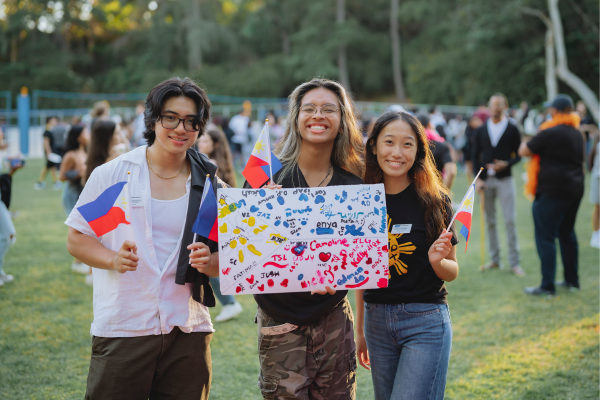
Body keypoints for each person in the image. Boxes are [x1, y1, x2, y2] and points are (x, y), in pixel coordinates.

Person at [66, 78, 221, 399]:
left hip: (188, 327)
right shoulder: (114, 175)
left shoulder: (209, 183)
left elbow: (230, 260)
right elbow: (78, 238)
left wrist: (210, 263)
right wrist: (112, 259)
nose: (181, 128)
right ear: (152, 120)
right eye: (171, 118)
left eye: (192, 121)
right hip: (126, 325)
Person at [248, 78, 364, 399]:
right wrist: (261, 215)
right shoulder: (265, 178)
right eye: (309, 108)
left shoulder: (354, 187)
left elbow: (360, 257)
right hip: (279, 320)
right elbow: (247, 256)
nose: (318, 115)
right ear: (296, 119)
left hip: (333, 319)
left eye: (329, 109)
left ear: (342, 123)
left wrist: (340, 275)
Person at [355, 110, 458, 400]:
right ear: (374, 147)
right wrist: (360, 330)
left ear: (419, 149)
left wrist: (439, 262)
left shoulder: (435, 200)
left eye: (408, 144)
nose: (397, 153)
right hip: (376, 322)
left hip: (425, 320)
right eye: (389, 142)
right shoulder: (360, 200)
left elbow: (453, 271)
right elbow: (363, 270)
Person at [519, 94, 584, 296]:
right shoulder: (577, 132)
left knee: (545, 237)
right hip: (574, 190)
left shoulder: (550, 131)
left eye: (551, 109)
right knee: (567, 234)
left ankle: (547, 285)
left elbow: (524, 150)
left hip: (551, 192)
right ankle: (572, 281)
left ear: (556, 111)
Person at [472, 93, 524, 276]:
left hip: (505, 180)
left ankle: (515, 263)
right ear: (489, 107)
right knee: (490, 222)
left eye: (499, 105)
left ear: (505, 106)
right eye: (493, 105)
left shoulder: (512, 128)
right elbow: (474, 154)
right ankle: (495, 260)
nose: (495, 108)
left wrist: (506, 164)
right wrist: (476, 179)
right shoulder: (481, 129)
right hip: (485, 181)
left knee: (510, 220)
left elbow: (519, 154)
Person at [197, 128, 243, 322]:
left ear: (215, 145)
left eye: (205, 141)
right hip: (213, 217)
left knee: (204, 261)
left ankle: (230, 303)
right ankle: (229, 303)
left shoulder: (210, 165)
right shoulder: (221, 165)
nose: (200, 143)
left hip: (209, 218)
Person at [59, 125, 91, 278]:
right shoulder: (70, 155)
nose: (88, 134)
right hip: (71, 194)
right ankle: (77, 263)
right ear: (78, 137)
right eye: (85, 132)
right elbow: (62, 176)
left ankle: (81, 261)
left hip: (81, 192)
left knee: (85, 227)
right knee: (79, 228)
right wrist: (80, 173)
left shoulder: (84, 151)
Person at [417, 114, 456, 189]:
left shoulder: (411, 145)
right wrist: (444, 191)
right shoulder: (442, 145)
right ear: (429, 124)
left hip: (415, 189)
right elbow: (451, 171)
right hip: (436, 188)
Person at [35, 117, 62, 190]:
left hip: (51, 152)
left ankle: (55, 182)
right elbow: (46, 142)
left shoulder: (51, 130)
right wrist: (48, 152)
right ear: (49, 121)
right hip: (50, 152)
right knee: (48, 166)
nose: (55, 122)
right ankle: (40, 182)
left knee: (51, 166)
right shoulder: (47, 131)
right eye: (53, 121)